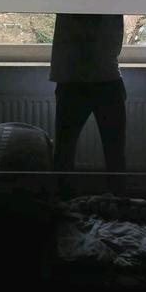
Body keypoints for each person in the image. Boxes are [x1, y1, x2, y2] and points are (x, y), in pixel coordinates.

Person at [50, 14, 127, 173]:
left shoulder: (69, 4)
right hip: (104, 79)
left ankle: (62, 189)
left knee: (64, 151)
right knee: (115, 153)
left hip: (75, 80)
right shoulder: (111, 3)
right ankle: (117, 188)